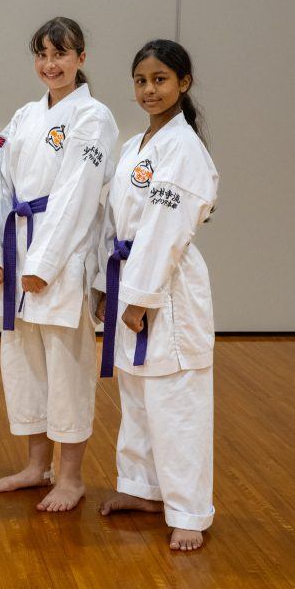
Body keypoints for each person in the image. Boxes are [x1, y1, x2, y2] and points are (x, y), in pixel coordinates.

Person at [0, 17, 117, 511]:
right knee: (23, 363)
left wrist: (45, 264)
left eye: (61, 55)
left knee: (66, 365)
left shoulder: (92, 117)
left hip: (63, 252)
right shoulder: (25, 116)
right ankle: (36, 465)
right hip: (17, 247)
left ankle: (71, 477)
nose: (51, 65)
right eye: (43, 55)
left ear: (81, 59)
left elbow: (76, 194)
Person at [96, 39, 218, 551]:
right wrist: (107, 287)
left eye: (161, 79)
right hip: (130, 275)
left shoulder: (185, 149)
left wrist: (141, 296)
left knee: (176, 401)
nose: (150, 90)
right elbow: (113, 218)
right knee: (138, 396)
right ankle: (143, 489)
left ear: (183, 84)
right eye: (142, 81)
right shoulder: (135, 145)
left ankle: (190, 510)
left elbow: (167, 229)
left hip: (166, 288)